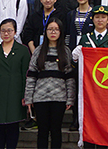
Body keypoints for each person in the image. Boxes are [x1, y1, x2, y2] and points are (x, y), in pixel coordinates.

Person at [24, 18, 76, 149]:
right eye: (50, 29)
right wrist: (29, 98)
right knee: (42, 131)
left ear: (61, 32)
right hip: (40, 98)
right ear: (45, 31)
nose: (53, 32)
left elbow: (70, 78)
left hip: (59, 98)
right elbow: (31, 76)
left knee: (56, 130)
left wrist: (70, 98)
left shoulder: (65, 51)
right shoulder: (38, 51)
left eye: (56, 29)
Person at [0, 19, 29, 149]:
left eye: (9, 30)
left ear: (15, 32)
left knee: (13, 126)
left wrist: (25, 95)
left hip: (15, 93)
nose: (6, 34)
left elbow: (25, 74)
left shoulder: (22, 50)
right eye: (3, 31)